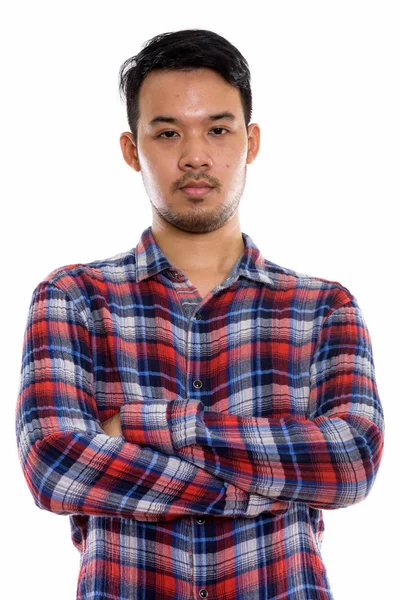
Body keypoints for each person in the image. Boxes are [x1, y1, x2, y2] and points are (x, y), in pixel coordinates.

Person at [15, 28, 385, 600]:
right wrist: (271, 485)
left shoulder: (324, 309)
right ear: (131, 149)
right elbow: (54, 466)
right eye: (167, 133)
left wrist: (137, 426)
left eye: (218, 129)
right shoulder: (73, 298)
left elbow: (353, 460)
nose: (195, 155)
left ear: (251, 140)